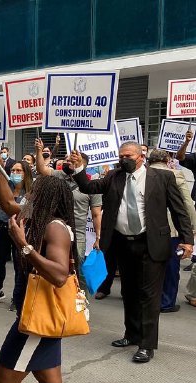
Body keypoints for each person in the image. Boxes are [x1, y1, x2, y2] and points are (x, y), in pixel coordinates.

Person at [0, 157, 77, 383]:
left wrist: (24, 246)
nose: (28, 193)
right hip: (38, 314)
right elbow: (8, 204)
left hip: (35, 320)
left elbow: (59, 275)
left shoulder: (54, 227)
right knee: (51, 381)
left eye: (34, 192)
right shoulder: (38, 217)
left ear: (45, 197)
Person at [68, 142, 194, 363]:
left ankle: (146, 345)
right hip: (122, 244)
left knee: (149, 295)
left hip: (151, 243)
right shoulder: (114, 176)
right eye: (120, 155)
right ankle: (132, 334)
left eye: (127, 155)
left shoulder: (162, 178)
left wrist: (187, 240)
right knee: (129, 292)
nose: (123, 159)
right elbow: (89, 188)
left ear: (140, 156)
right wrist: (79, 169)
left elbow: (179, 210)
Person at [35, 139, 102, 295]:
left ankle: (77, 295)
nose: (66, 163)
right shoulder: (59, 176)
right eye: (65, 160)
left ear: (81, 164)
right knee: (56, 263)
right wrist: (39, 151)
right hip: (57, 229)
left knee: (77, 264)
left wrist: (98, 237)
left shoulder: (92, 185)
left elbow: (96, 213)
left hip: (78, 233)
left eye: (71, 161)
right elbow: (42, 169)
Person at [137, 149, 196, 313]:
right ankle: (166, 302)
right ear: (168, 160)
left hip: (146, 228)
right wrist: (190, 230)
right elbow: (187, 204)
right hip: (171, 230)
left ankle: (148, 299)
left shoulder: (142, 174)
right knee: (170, 267)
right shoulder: (175, 175)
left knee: (148, 265)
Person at [0, 160, 33, 308]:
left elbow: (26, 212)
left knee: (18, 264)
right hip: (3, 227)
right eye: (13, 171)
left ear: (26, 173)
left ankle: (17, 296)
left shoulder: (31, 191)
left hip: (20, 230)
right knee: (0, 261)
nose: (14, 173)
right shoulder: (5, 186)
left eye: (18, 171)